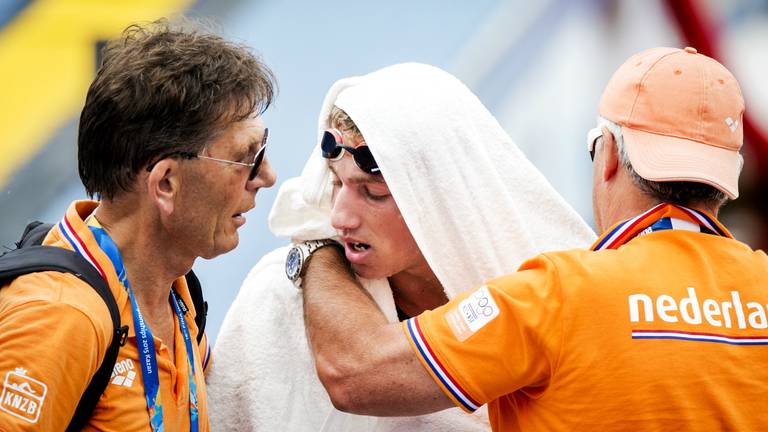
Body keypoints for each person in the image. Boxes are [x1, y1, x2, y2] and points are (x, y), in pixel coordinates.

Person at [300, 47, 768, 431]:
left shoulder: (556, 295)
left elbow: (355, 374)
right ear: (725, 179)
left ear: (606, 156)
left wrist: (315, 246)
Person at [205, 63, 595, 431]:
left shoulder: (555, 297)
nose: (340, 217)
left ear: (443, 198)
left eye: (373, 193)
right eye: (337, 183)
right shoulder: (279, 293)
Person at [0, 19, 276, 431]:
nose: (266, 176)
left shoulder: (178, 294)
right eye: (245, 157)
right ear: (165, 182)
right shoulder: (60, 317)